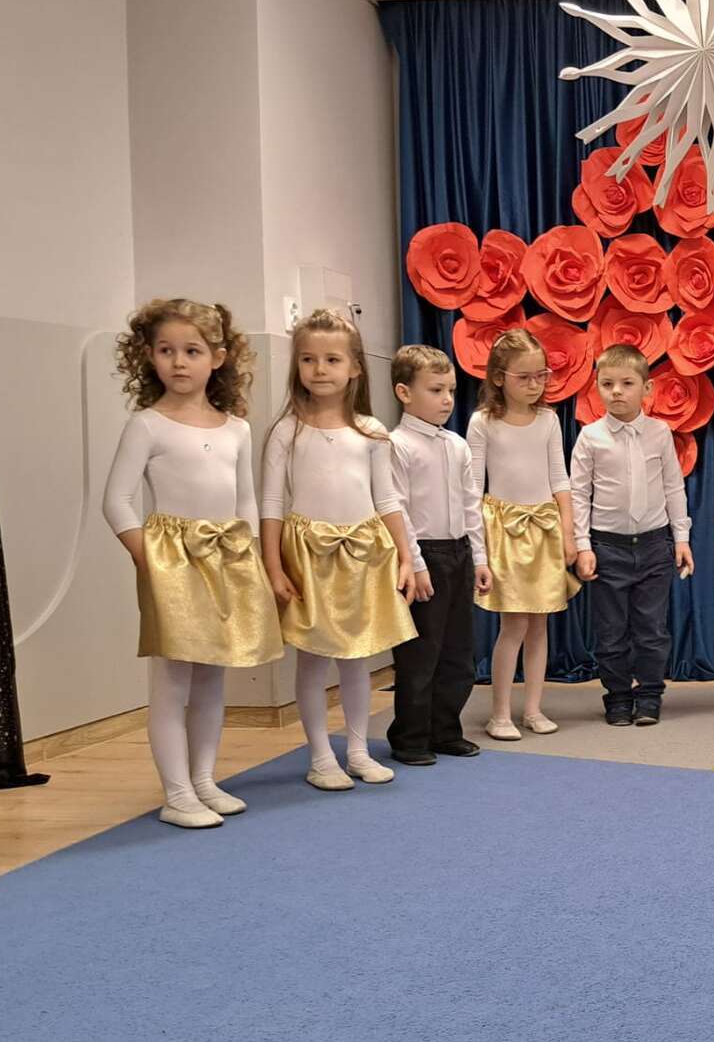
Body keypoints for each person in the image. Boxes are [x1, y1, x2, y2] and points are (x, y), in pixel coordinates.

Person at [103, 298, 280, 828]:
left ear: (218, 358)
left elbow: (245, 499)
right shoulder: (147, 426)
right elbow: (116, 500)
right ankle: (176, 793)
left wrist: (248, 555)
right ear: (149, 356)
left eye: (192, 351)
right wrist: (150, 558)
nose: (178, 362)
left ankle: (203, 780)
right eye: (166, 351)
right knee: (172, 679)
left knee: (210, 677)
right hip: (172, 559)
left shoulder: (236, 429)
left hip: (226, 555)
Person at [260, 309, 417, 790]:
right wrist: (273, 566)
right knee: (312, 658)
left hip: (364, 552)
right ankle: (320, 756)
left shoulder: (371, 431)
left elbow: (387, 499)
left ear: (354, 368)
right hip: (309, 554)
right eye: (308, 359)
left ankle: (356, 750)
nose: (320, 369)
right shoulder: (287, 430)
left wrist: (406, 556)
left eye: (332, 359)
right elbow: (271, 503)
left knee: (357, 657)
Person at [569, 344, 693, 726]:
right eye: (607, 384)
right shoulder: (590, 437)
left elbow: (673, 487)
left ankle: (650, 695)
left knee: (652, 629)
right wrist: (583, 546)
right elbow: (578, 494)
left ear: (647, 388)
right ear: (596, 387)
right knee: (611, 632)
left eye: (626, 383)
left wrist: (682, 538)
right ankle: (618, 696)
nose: (617, 392)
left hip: (655, 544)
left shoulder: (660, 433)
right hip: (608, 547)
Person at [468, 329, 579, 740]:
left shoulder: (548, 420)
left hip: (544, 527)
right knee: (513, 624)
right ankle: (499, 713)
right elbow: (472, 486)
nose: (535, 385)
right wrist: (479, 549)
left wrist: (568, 532)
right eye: (525, 377)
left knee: (539, 625)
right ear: (499, 377)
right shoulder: (483, 422)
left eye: (541, 376)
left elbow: (559, 479)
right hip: (505, 529)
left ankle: (533, 708)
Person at [387, 344, 488, 766]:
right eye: (435, 390)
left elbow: (470, 505)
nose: (447, 399)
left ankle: (446, 730)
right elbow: (398, 509)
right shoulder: (396, 444)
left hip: (459, 552)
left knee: (458, 652)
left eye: (450, 390)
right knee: (420, 654)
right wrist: (416, 564)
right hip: (423, 556)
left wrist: (479, 558)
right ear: (404, 392)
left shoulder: (457, 445)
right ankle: (410, 737)